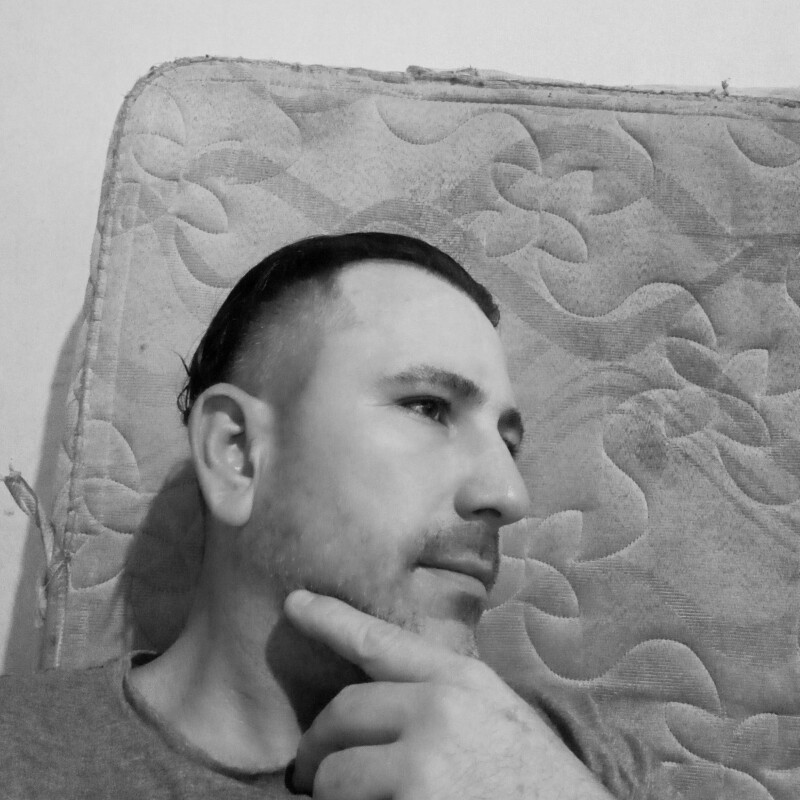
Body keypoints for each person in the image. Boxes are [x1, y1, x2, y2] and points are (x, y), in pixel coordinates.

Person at [0, 233, 612, 799]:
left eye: (508, 442)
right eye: (428, 407)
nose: (509, 494)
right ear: (237, 454)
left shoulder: (575, 758)